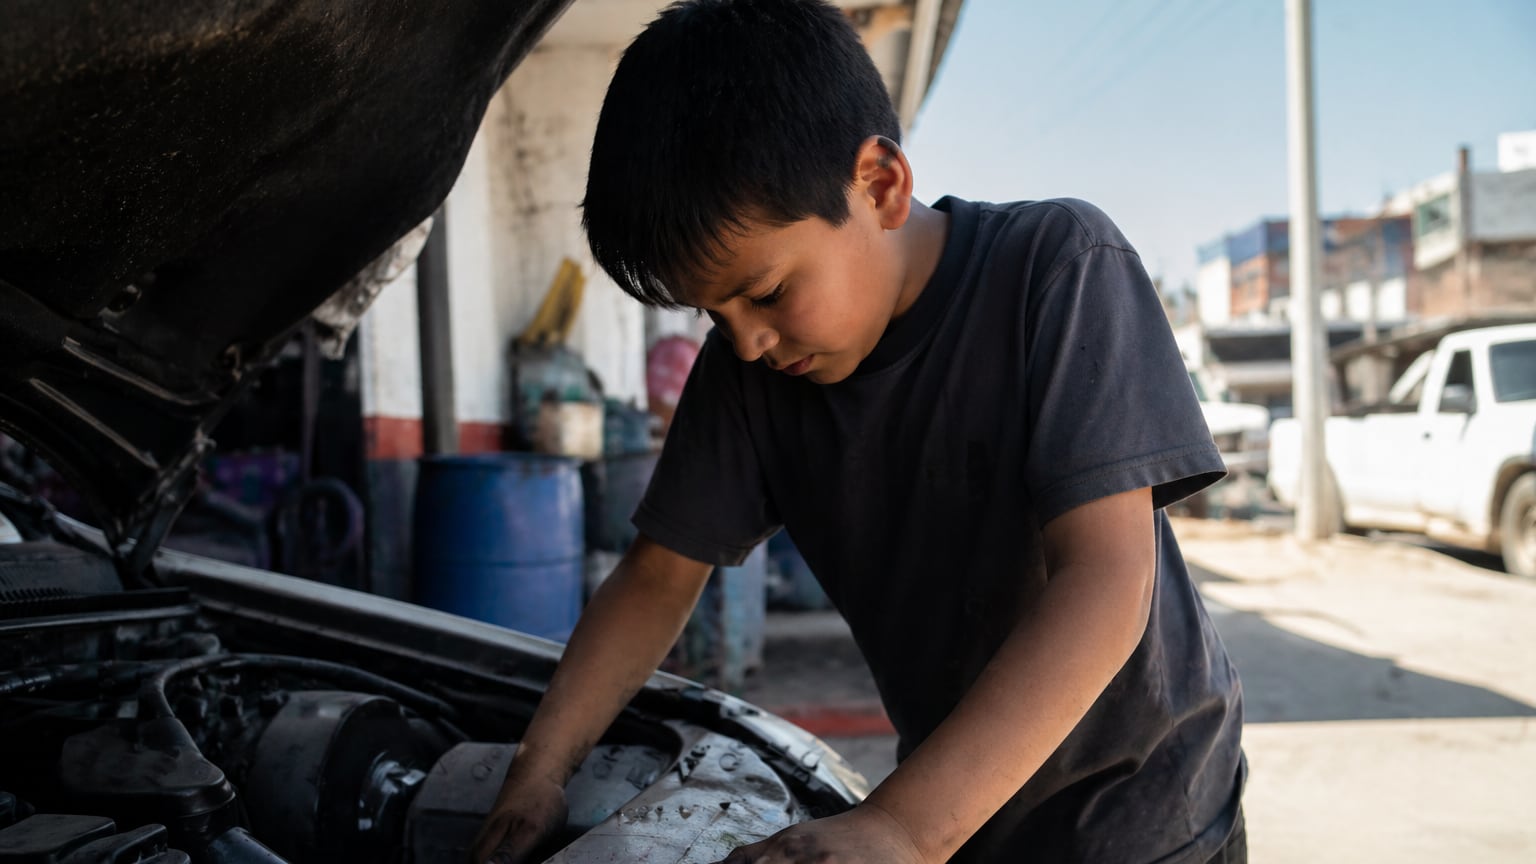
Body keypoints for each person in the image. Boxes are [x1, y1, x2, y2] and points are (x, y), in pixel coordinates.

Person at [472, 1, 1245, 861]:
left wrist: (900, 828)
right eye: (710, 314)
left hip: (1148, 812)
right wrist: (539, 771)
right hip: (959, 810)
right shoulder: (752, 370)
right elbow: (657, 577)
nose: (746, 340)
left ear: (879, 185)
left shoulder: (1057, 267)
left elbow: (1106, 583)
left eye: (764, 293)